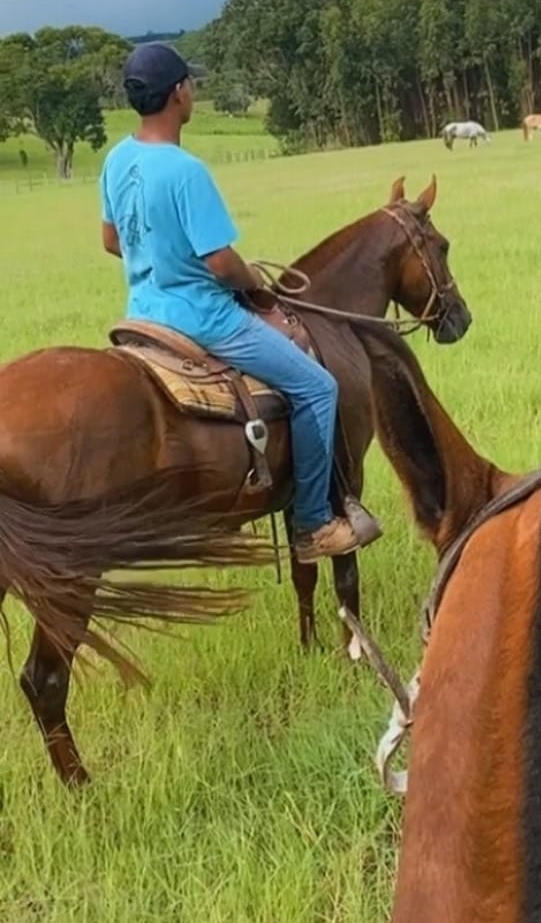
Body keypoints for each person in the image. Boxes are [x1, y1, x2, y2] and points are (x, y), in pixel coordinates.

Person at [99, 41, 363, 564]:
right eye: (190, 83)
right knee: (318, 387)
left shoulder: (116, 158)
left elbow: (111, 241)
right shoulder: (185, 171)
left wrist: (160, 257)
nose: (193, 91)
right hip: (204, 318)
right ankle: (313, 523)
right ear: (179, 93)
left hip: (143, 314)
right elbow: (221, 263)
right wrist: (253, 282)